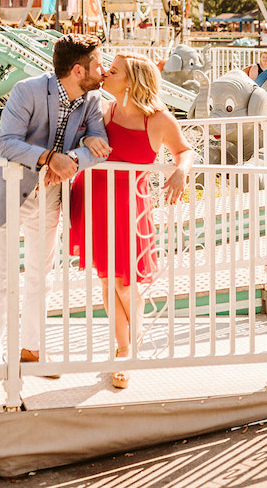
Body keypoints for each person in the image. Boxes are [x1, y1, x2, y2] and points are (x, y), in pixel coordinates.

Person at [0, 34, 111, 411]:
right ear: (78, 70)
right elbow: (6, 143)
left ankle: (32, 348)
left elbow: (99, 143)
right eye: (98, 65)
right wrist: (50, 158)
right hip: (8, 192)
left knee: (40, 274)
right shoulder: (27, 90)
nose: (104, 70)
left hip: (49, 196)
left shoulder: (92, 99)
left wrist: (72, 160)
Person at [67, 53, 193, 389]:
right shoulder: (103, 109)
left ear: (132, 81)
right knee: (108, 281)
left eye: (114, 70)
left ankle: (126, 350)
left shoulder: (159, 119)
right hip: (93, 198)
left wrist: (181, 170)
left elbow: (184, 150)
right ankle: (123, 350)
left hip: (129, 205)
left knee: (125, 282)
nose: (106, 72)